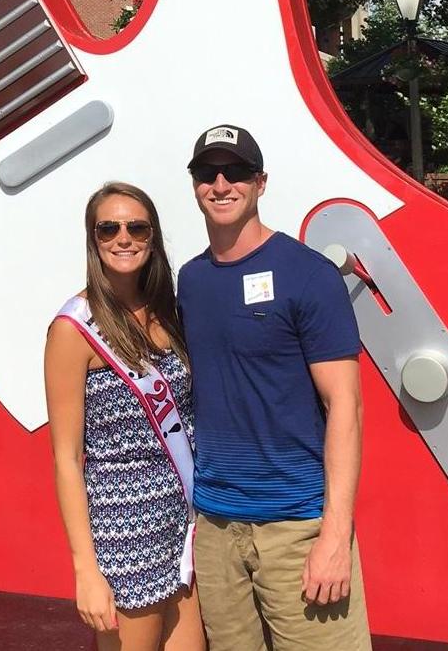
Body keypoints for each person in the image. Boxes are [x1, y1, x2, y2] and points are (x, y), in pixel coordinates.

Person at [176, 124, 371, 650]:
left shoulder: (307, 275)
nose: (221, 184)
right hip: (217, 527)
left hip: (298, 528)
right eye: (207, 173)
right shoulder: (190, 282)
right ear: (194, 184)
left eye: (236, 172)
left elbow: (345, 407)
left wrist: (334, 535)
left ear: (260, 183)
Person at [45, 182, 206, 651]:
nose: (124, 238)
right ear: (92, 239)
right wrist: (86, 571)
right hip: (124, 534)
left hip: (183, 523)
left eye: (137, 227)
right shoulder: (73, 330)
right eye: (108, 228)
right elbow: (66, 459)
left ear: (152, 237)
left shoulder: (166, 312)